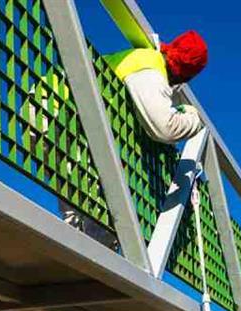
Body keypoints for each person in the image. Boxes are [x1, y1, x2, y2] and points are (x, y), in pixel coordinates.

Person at [59, 31, 209, 247]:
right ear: (184, 75)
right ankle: (91, 266)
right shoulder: (150, 71)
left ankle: (77, 258)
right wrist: (193, 117)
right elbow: (165, 128)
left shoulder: (143, 61)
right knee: (108, 222)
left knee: (84, 218)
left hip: (58, 116)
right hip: (66, 120)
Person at [104, 30, 208, 144]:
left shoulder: (147, 58)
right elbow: (166, 130)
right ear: (183, 76)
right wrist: (194, 121)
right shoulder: (151, 74)